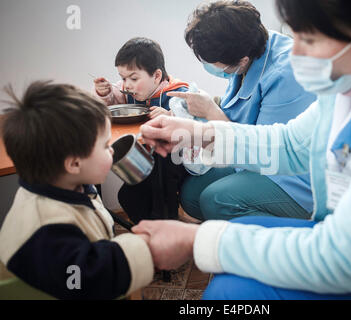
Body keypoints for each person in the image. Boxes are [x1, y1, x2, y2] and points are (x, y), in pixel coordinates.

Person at [133, 0, 351, 300]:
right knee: (238, 238)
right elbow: (291, 144)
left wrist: (195, 242)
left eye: (309, 40)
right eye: (293, 33)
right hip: (336, 232)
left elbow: (343, 257)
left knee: (227, 293)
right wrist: (201, 133)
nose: (295, 51)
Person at [0, 81, 154, 299]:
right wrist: (146, 248)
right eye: (104, 146)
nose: (111, 150)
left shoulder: (68, 186)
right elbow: (87, 280)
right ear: (73, 164)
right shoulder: (46, 231)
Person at [167, 0, 317, 222]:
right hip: (258, 156)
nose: (212, 68)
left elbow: (268, 152)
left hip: (291, 175)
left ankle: (282, 241)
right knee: (191, 195)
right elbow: (242, 107)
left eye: (214, 64)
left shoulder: (285, 73)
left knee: (214, 199)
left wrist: (209, 111)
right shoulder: (248, 48)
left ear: (242, 60)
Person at [93, 37, 190, 223]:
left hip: (176, 162)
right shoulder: (129, 91)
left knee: (159, 188)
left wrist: (171, 115)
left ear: (156, 76)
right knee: (128, 197)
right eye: (123, 78)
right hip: (146, 161)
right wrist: (104, 93)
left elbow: (192, 121)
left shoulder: (177, 93)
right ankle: (151, 228)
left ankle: (166, 226)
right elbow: (112, 102)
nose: (126, 85)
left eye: (133, 78)